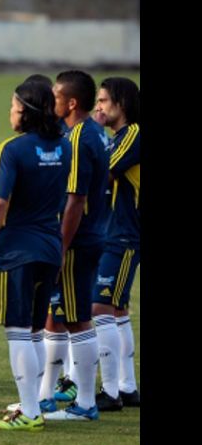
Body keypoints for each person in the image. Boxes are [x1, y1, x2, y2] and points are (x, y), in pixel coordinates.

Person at [0, 81, 71, 431]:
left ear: (27, 113)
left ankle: (30, 413)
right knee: (34, 330)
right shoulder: (62, 147)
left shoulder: (13, 149)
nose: (10, 113)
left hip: (17, 249)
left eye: (14, 108)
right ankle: (33, 404)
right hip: (50, 245)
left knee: (18, 331)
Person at [38, 70, 109, 421]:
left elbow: (76, 199)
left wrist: (60, 248)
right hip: (91, 234)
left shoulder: (80, 137)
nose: (51, 103)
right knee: (55, 316)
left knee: (78, 321)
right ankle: (45, 396)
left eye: (55, 97)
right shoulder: (93, 131)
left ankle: (85, 404)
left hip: (78, 240)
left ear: (71, 102)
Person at [91, 77, 140, 411]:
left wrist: (89, 138)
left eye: (105, 101)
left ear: (122, 103)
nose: (99, 107)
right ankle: (127, 387)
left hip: (124, 234)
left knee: (100, 308)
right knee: (117, 310)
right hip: (112, 232)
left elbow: (102, 172)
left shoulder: (134, 134)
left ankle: (109, 393)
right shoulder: (114, 138)